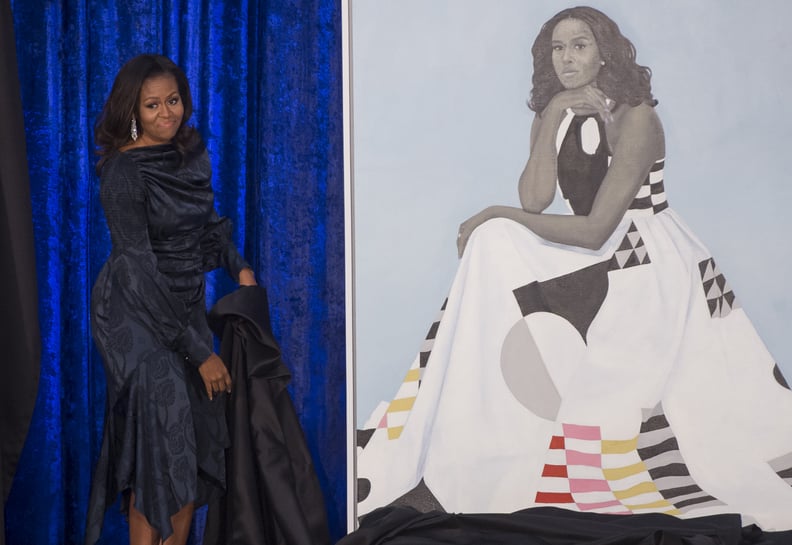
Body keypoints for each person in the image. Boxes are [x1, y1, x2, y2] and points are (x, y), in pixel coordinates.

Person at [355, 5, 792, 533]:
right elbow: (536, 200)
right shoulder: (553, 111)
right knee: (495, 244)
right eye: (557, 49)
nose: (567, 58)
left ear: (605, 50)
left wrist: (494, 212)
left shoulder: (637, 118)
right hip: (595, 251)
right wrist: (555, 114)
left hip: (644, 259)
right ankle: (460, 437)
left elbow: (598, 229)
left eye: (579, 45)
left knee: (496, 229)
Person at [84, 54, 257, 545]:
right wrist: (200, 352)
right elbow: (136, 269)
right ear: (134, 110)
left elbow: (206, 227)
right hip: (133, 315)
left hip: (182, 303)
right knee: (163, 442)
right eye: (154, 104)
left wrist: (237, 266)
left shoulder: (192, 157)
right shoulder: (123, 172)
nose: (167, 113)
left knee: (196, 442)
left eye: (174, 100)